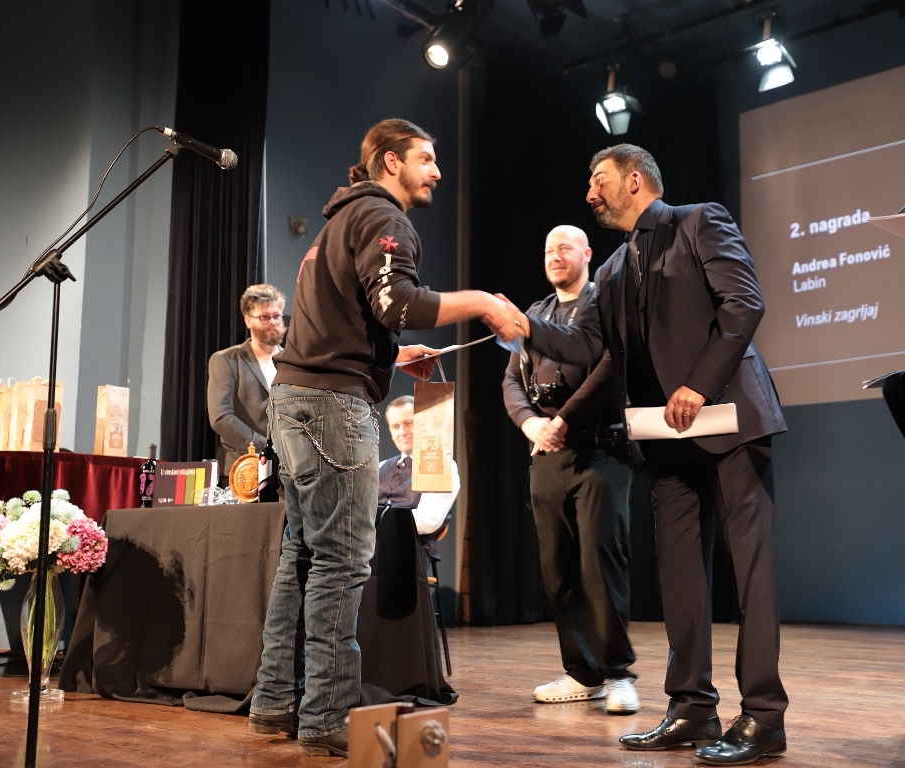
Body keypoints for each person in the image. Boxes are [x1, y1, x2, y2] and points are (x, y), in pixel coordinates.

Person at [490, 144, 788, 766]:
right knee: (680, 574)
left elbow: (744, 304)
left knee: (750, 571)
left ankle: (763, 716)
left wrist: (699, 384)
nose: (589, 192)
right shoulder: (613, 268)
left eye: (598, 179)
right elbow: (588, 346)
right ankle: (692, 707)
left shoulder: (699, 221)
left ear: (634, 179)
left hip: (731, 419)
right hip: (664, 436)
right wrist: (526, 327)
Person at [247, 118, 507, 757]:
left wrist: (391, 354)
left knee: (301, 556)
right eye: (427, 158)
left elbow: (353, 318)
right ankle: (327, 715)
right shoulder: (383, 217)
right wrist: (484, 302)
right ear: (391, 161)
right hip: (332, 408)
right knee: (341, 561)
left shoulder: (338, 221)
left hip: (293, 399)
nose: (437, 171)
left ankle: (275, 702)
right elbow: (400, 304)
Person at [502, 224, 639, 714]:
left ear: (587, 253)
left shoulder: (605, 301)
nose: (554, 255)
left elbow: (610, 366)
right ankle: (582, 673)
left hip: (599, 449)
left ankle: (618, 673)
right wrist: (531, 424)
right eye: (548, 249)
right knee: (556, 569)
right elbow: (511, 381)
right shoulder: (535, 313)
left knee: (600, 565)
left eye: (564, 247)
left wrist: (563, 419)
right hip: (546, 452)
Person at [207, 284, 286, 484]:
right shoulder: (226, 360)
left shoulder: (292, 362)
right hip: (242, 470)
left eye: (277, 316)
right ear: (248, 320)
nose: (273, 322)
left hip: (286, 473)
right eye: (265, 317)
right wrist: (267, 448)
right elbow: (221, 417)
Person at [378, 394, 460, 575]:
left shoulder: (441, 465)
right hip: (372, 547)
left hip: (410, 549)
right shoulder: (380, 467)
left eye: (408, 423)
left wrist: (376, 522)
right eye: (395, 426)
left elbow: (429, 521)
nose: (402, 432)